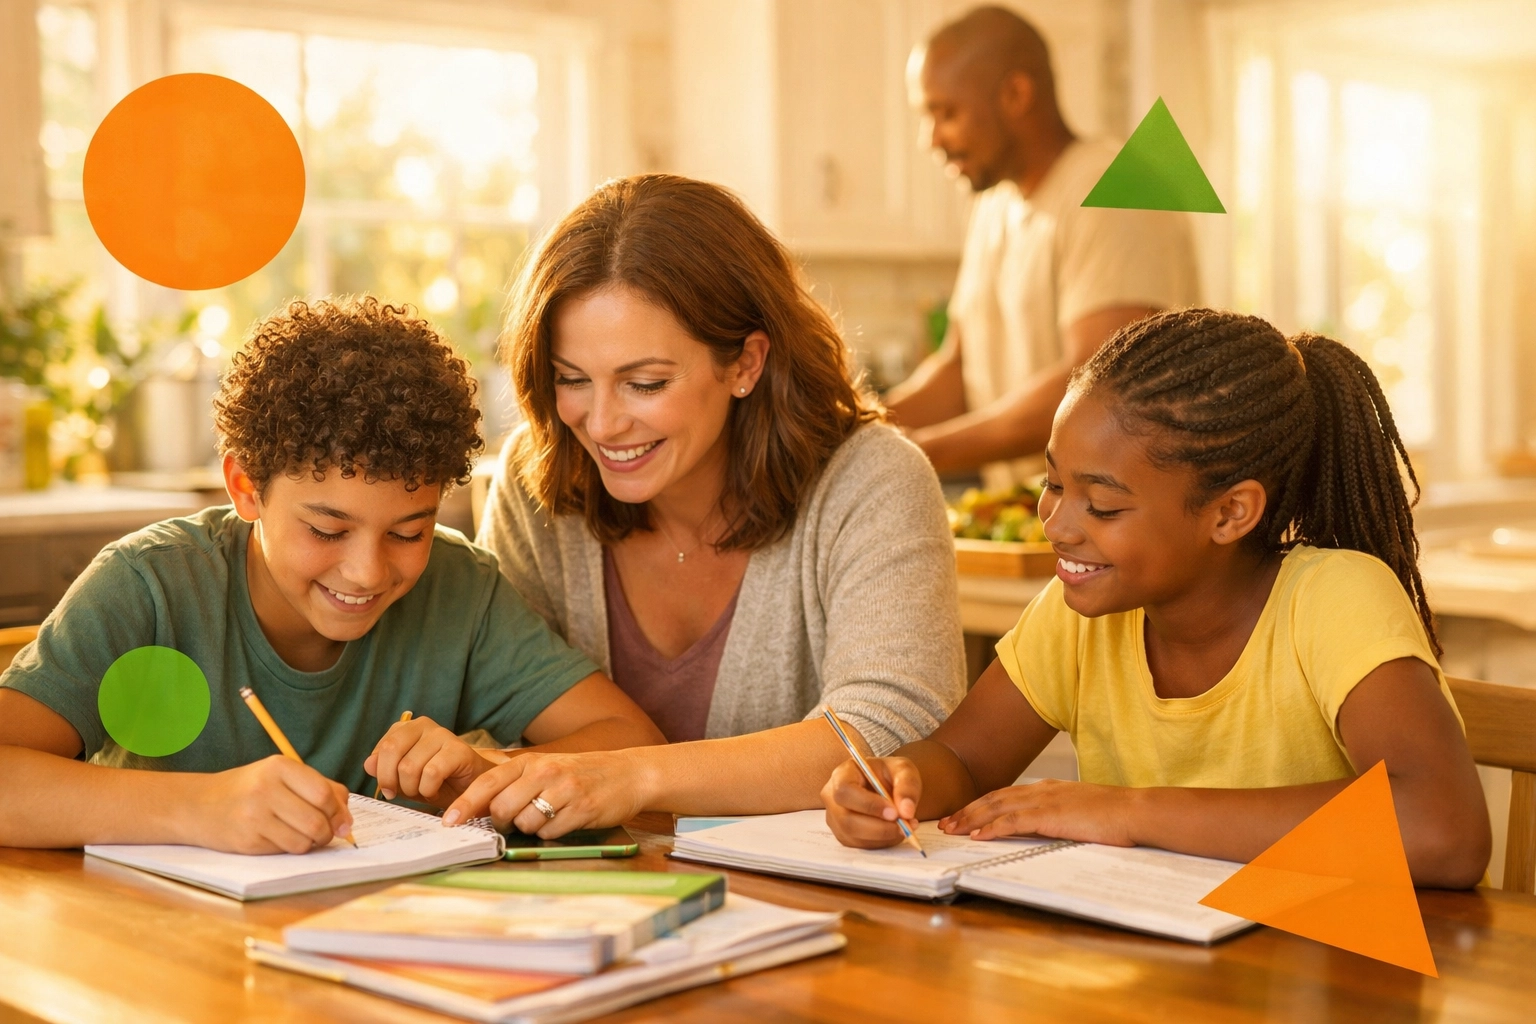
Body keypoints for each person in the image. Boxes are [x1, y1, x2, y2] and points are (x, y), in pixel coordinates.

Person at [823, 309, 1491, 888]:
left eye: (1104, 505)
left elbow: (1444, 828)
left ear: (1230, 513)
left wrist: (1130, 811)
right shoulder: (1078, 614)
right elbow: (964, 759)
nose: (1056, 525)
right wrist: (896, 782)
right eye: (1052, 485)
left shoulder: (1334, 600)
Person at [0, 297, 662, 854]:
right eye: (326, 530)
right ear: (246, 487)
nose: (368, 570)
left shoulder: (459, 589)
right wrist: (195, 808)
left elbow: (631, 743)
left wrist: (482, 771)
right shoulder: (150, 586)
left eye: (410, 531)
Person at [447, 174, 965, 836]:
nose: (601, 424)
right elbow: (506, 708)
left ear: (745, 362)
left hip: (818, 908)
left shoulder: (872, 479)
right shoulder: (536, 477)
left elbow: (892, 728)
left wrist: (634, 777)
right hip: (595, 901)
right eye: (571, 379)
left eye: (644, 383)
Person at [888, 6, 1199, 488]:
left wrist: (910, 453)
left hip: (1119, 538)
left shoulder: (1119, 188)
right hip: (1038, 524)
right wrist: (854, 427)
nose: (931, 139)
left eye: (946, 112)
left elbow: (1101, 392)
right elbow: (957, 370)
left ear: (1016, 94)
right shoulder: (994, 207)